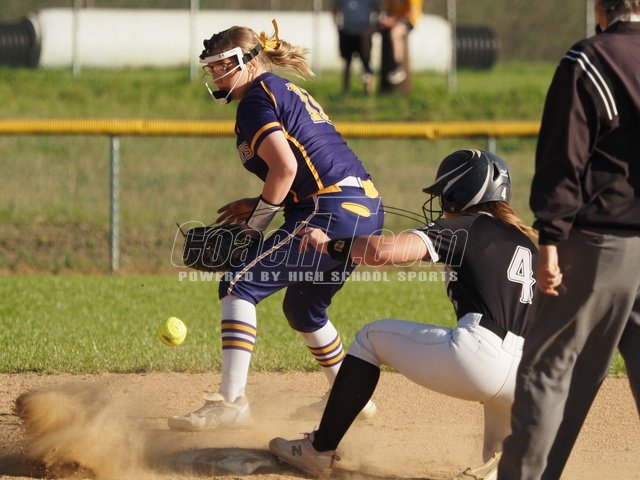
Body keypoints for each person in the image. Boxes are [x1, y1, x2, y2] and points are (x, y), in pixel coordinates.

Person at [269, 149, 539, 479]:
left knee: (370, 339)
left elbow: (381, 251)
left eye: (443, 194)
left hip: (480, 356)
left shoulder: (466, 226)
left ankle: (319, 449)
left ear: (459, 193)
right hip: (527, 373)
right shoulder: (529, 244)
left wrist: (330, 244)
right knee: (499, 461)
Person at [168, 20, 384, 431]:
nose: (215, 74)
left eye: (221, 65)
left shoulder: (255, 100)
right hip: (362, 207)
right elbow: (304, 166)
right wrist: (259, 204)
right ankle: (352, 398)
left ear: (248, 61)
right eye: (211, 67)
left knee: (238, 285)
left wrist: (254, 227)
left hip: (329, 210)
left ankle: (231, 403)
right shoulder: (279, 90)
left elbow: (284, 169)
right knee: (304, 310)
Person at [498, 1, 640, 478]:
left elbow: (565, 157)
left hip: (600, 243)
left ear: (602, 8)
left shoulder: (591, 59)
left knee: (547, 369)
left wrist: (550, 239)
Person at [332, 0, 381, 95]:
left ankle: (369, 91)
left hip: (364, 34)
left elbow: (378, 10)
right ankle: (345, 90)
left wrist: (372, 28)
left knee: (366, 61)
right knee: (347, 61)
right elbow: (334, 7)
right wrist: (337, 24)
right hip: (346, 31)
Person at [377, 0, 423, 85]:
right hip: (396, 18)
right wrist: (385, 20)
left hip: (409, 19)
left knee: (396, 32)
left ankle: (398, 67)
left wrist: (393, 21)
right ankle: (369, 70)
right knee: (374, 29)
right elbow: (388, 10)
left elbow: (411, 13)